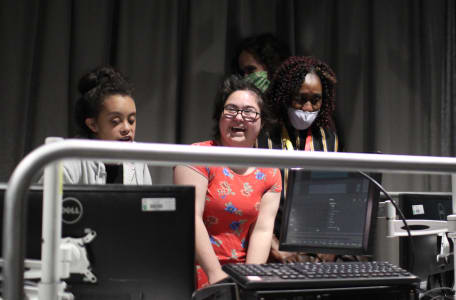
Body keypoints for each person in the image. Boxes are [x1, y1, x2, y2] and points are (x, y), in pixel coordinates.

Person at [173, 76, 282, 289]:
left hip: (242, 276)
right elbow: (190, 219)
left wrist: (249, 284)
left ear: (262, 122)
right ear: (219, 116)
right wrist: (216, 277)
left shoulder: (270, 172)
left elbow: (262, 232)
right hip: (194, 273)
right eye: (231, 109)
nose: (239, 118)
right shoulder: (196, 156)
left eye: (249, 112)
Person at [257, 56, 339, 262]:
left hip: (317, 245)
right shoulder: (263, 134)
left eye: (316, 100)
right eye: (301, 98)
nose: (308, 108)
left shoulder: (327, 136)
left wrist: (333, 243)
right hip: (272, 244)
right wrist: (272, 245)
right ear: (285, 96)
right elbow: (248, 197)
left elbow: (336, 194)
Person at [58, 66, 151, 185]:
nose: (127, 128)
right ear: (93, 124)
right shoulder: (67, 163)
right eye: (116, 121)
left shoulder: (138, 159)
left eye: (131, 120)